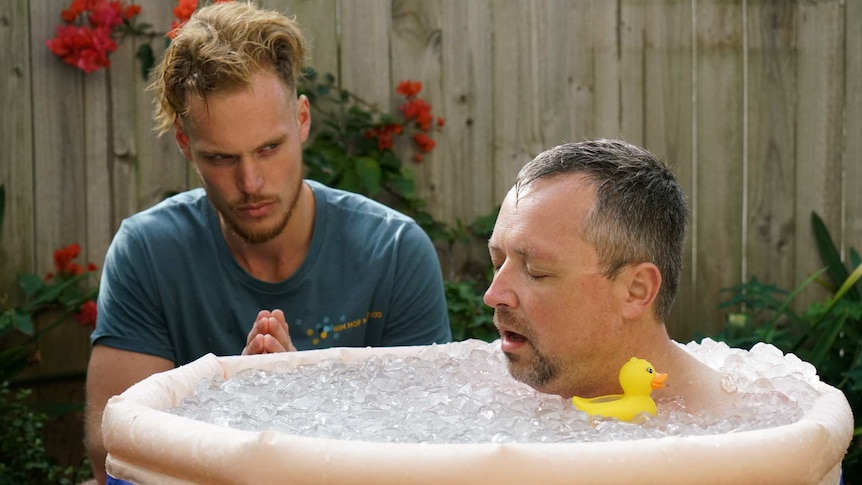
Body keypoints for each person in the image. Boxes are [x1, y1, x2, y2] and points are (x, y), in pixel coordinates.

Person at [84, 2, 451, 483]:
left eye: (269, 148)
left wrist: (300, 400)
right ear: (184, 143)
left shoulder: (394, 250)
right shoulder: (148, 252)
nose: (251, 181)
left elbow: (428, 451)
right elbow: (114, 454)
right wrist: (235, 402)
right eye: (220, 157)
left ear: (301, 120)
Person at [483, 139, 733, 412]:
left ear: (635, 290)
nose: (493, 295)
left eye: (535, 272)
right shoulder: (490, 393)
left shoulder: (728, 436)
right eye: (498, 262)